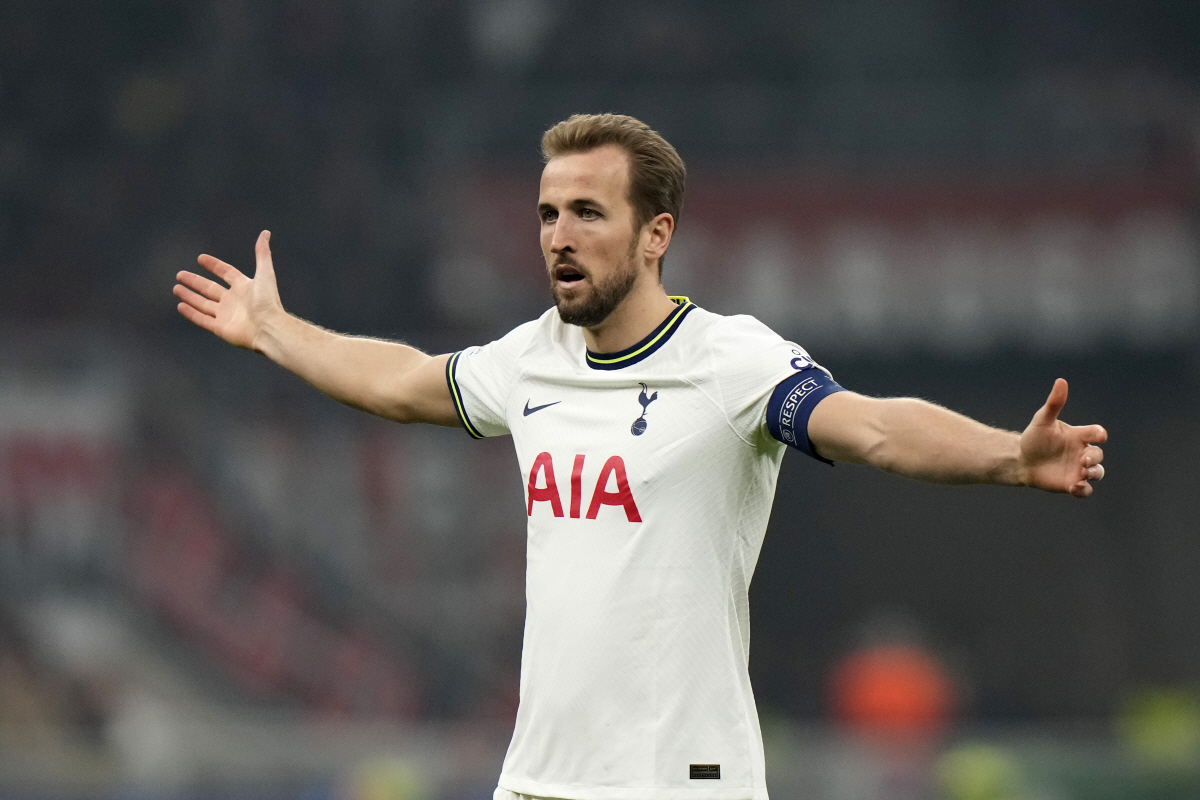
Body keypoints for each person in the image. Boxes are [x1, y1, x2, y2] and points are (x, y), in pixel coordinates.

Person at [173, 113, 1107, 800]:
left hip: (679, 782)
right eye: (548, 213)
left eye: (588, 212)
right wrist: (275, 331)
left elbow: (870, 427)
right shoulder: (531, 358)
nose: (559, 236)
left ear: (657, 234)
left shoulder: (729, 361)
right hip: (540, 778)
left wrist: (1007, 456)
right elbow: (402, 381)